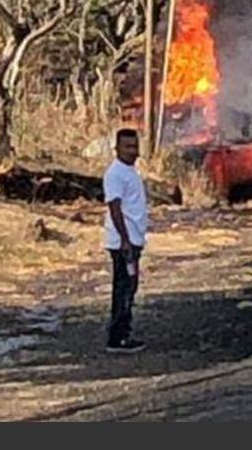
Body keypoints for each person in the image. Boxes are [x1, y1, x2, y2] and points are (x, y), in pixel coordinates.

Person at [103, 128, 148, 353]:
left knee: (130, 286)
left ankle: (124, 332)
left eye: (134, 146)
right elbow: (115, 207)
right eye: (127, 147)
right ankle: (118, 337)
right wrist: (125, 240)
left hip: (133, 238)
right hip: (124, 242)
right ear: (117, 149)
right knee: (123, 288)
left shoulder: (131, 172)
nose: (132, 151)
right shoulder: (115, 174)